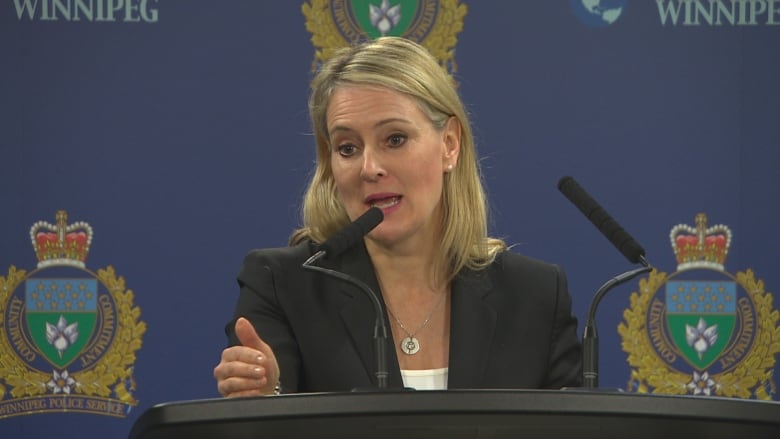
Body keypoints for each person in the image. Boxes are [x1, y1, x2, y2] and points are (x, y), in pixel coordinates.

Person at [213, 36, 582, 397]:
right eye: (347, 148)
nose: (369, 168)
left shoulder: (535, 296)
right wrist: (269, 393)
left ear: (449, 145)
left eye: (394, 139)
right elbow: (260, 417)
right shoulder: (283, 284)